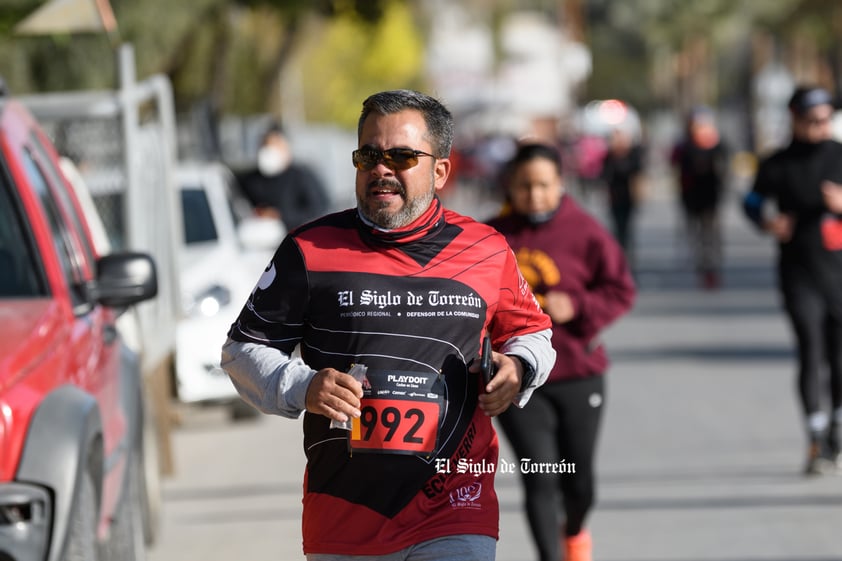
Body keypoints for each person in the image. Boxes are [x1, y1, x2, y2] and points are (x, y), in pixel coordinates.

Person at [221, 89, 556, 560]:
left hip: (456, 506)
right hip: (343, 514)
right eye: (368, 155)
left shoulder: (486, 249)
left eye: (400, 156)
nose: (381, 168)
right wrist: (303, 385)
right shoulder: (309, 250)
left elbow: (533, 332)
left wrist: (519, 367)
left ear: (440, 170)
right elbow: (242, 351)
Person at [486, 143, 635, 561]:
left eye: (543, 186)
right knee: (540, 478)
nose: (534, 195)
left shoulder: (585, 231)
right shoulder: (490, 236)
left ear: (561, 184)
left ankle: (574, 533)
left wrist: (580, 306)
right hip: (518, 377)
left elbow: (621, 289)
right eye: (524, 186)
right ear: (509, 186)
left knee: (579, 484)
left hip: (578, 371)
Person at [743, 85, 842, 476]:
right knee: (810, 351)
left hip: (839, 273)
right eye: (810, 119)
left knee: (839, 357)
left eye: (825, 118)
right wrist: (767, 222)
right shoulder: (777, 163)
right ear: (795, 119)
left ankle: (837, 424)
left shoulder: (840, 155)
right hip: (798, 272)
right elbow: (750, 201)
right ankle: (816, 437)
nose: (819, 126)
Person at [670, 106, 729, 289]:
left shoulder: (717, 144)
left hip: (711, 197)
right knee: (696, 233)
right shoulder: (684, 146)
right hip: (690, 197)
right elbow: (674, 164)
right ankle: (701, 262)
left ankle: (711, 265)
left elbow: (724, 169)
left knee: (710, 233)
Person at [240, 122, 331, 230]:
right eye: (266, 145)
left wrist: (281, 216)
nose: (270, 150)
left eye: (275, 145)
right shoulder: (251, 181)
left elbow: (318, 208)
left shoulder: (302, 176)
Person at [600, 127, 645, 265]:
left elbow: (637, 173)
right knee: (618, 228)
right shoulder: (609, 156)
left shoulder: (632, 155)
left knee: (627, 228)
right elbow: (604, 175)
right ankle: (620, 256)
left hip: (629, 197)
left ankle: (627, 257)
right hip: (615, 197)